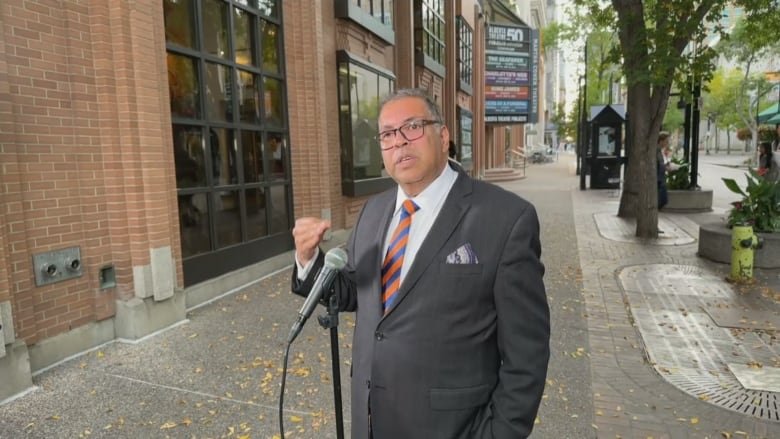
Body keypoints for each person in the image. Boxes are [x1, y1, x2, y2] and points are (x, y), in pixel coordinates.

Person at [291, 88, 550, 439]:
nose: (399, 142)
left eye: (412, 126)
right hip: (371, 422)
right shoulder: (374, 211)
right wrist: (309, 260)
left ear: (443, 137)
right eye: (387, 134)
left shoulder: (506, 219)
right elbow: (353, 290)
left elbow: (527, 356)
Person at [657, 131, 671, 210]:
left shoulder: (659, 151)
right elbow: (656, 165)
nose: (667, 143)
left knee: (663, 200)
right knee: (662, 200)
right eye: (666, 141)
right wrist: (666, 167)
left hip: (661, 179)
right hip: (659, 180)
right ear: (661, 141)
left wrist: (666, 166)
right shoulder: (656, 150)